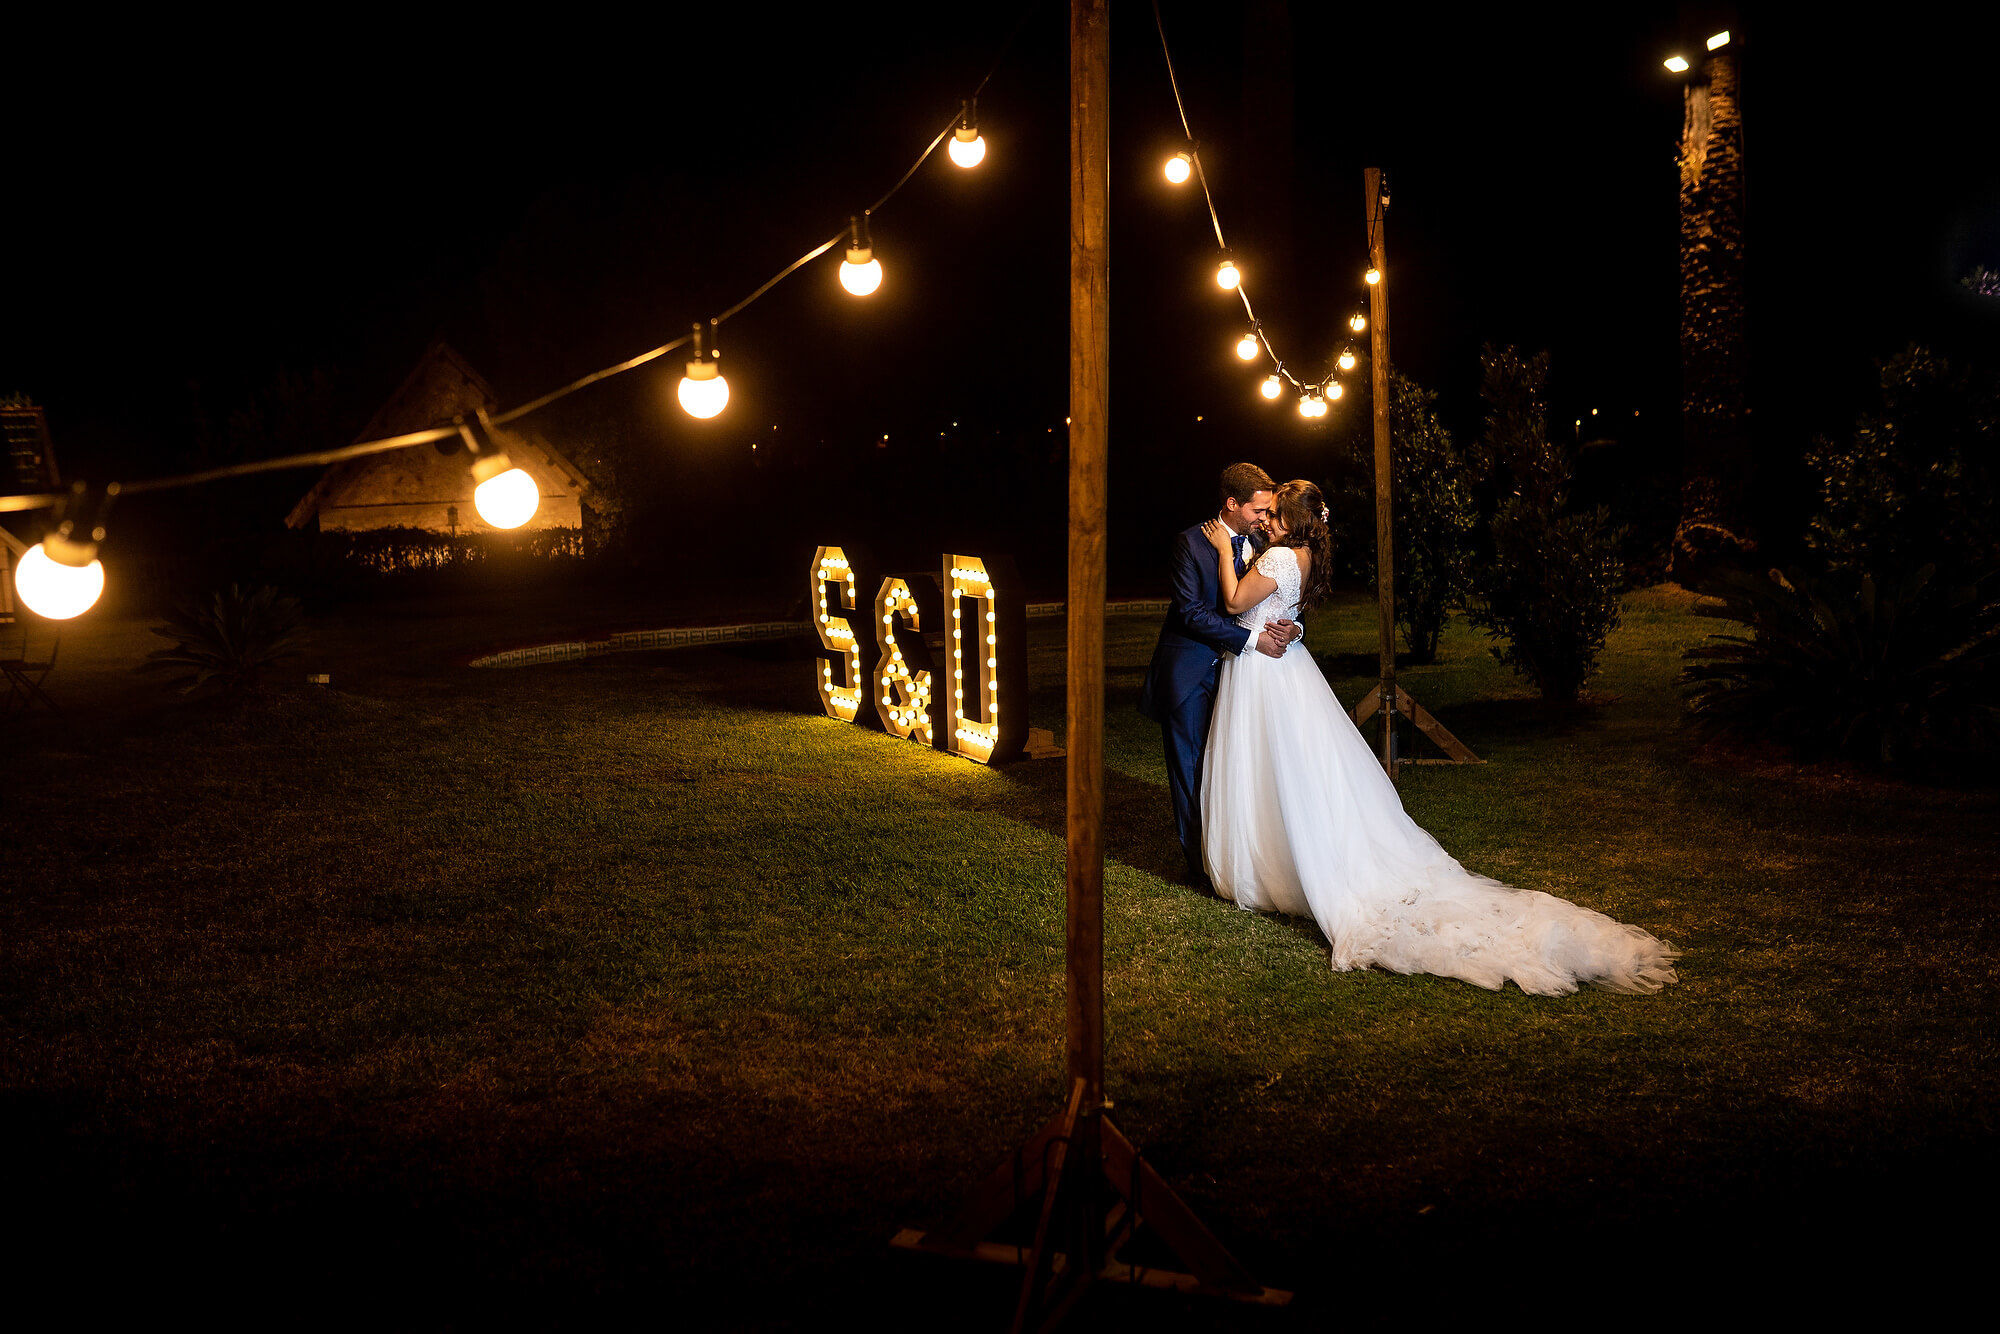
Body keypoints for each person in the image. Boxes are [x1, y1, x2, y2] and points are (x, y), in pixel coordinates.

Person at [1196, 479, 1680, 995]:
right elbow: (1284, 613)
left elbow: (1231, 603)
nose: (1266, 519)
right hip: (1284, 668)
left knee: (1273, 768)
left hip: (1266, 677)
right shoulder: (1305, 556)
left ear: (1290, 520)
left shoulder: (1274, 559)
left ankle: (1272, 863)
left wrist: (1226, 550)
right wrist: (1292, 627)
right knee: (1293, 771)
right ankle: (1286, 855)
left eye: (1275, 514)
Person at [1141, 463, 1301, 889]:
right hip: (1191, 673)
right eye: (1259, 510)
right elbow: (1192, 613)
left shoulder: (1262, 544)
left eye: (1269, 512)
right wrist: (1252, 642)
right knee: (1191, 771)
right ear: (1232, 504)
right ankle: (1201, 868)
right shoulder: (1190, 544)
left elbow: (1281, 597)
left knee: (1230, 766)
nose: (1266, 519)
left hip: (1239, 680)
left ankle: (1234, 856)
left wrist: (1294, 627)